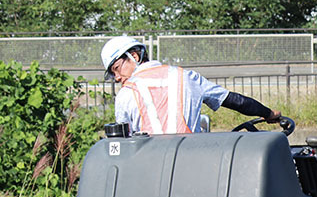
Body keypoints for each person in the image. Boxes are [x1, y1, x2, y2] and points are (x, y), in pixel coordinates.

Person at [101, 36, 280, 135]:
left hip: (149, 169)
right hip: (190, 159)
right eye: (112, 74)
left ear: (135, 56)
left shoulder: (126, 93)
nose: (117, 77)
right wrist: (269, 114)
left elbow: (123, 140)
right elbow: (234, 100)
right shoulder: (185, 77)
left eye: (117, 69)